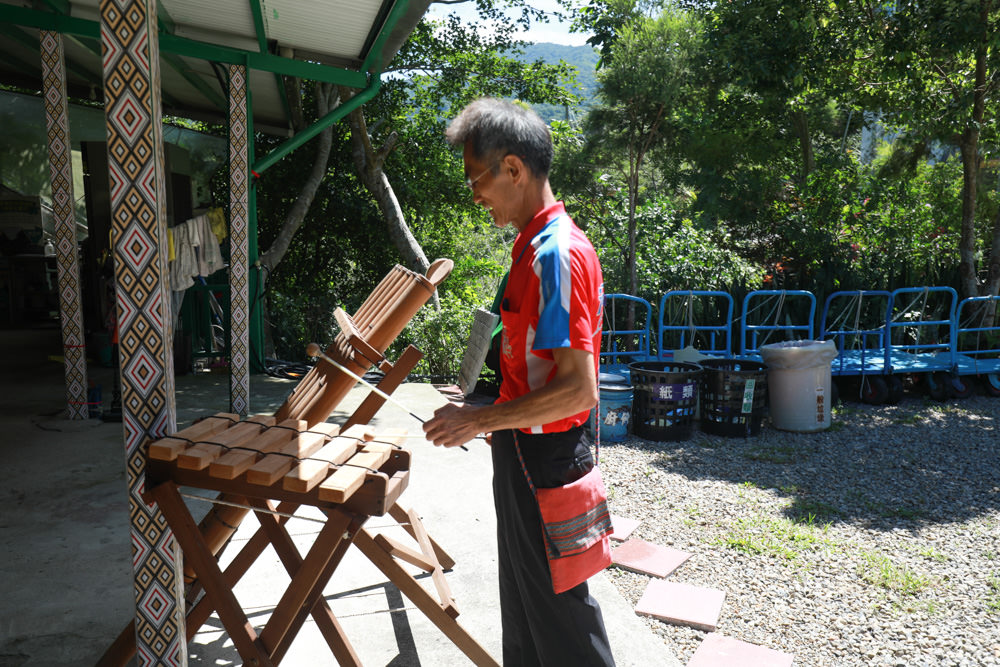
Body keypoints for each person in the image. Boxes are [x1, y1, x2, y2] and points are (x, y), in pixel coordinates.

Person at [423, 98, 615, 666]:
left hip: (547, 457)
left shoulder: (557, 254)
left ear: (513, 168)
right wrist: (488, 420)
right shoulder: (532, 242)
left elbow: (579, 389)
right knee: (528, 612)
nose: (474, 194)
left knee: (562, 623)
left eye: (476, 179)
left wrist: (476, 419)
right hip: (523, 451)